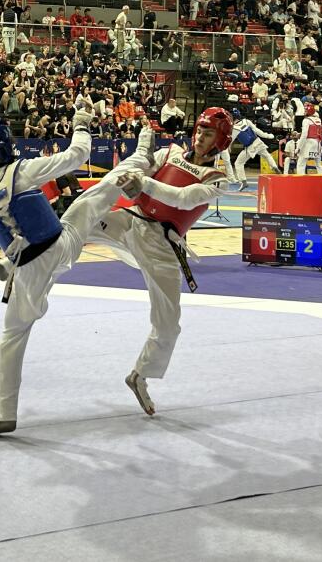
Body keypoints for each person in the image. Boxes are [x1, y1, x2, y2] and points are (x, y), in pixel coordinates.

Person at [0, 101, 146, 437]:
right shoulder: (23, 170)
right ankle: (144, 157)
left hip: (30, 267)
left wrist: (9, 263)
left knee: (11, 338)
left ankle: (5, 413)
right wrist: (81, 120)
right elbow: (78, 154)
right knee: (94, 199)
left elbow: (8, 240)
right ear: (6, 142)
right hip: (61, 245)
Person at [89, 113, 234, 415]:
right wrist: (134, 177)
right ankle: (24, 258)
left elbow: (182, 198)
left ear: (220, 141)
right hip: (130, 221)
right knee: (78, 221)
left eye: (208, 134)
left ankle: (139, 376)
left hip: (162, 244)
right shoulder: (168, 152)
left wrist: (144, 185)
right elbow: (140, 168)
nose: (200, 137)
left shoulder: (217, 180)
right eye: (199, 130)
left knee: (168, 326)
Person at [229, 109, 278, 190]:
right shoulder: (247, 121)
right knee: (267, 155)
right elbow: (258, 131)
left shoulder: (235, 128)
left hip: (250, 147)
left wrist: (228, 148)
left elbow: (230, 140)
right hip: (258, 142)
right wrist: (269, 136)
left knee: (238, 163)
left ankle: (244, 182)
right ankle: (274, 166)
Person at [296, 103, 322, 175]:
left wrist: (299, 147)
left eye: (305, 110)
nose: (304, 112)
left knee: (301, 163)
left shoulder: (306, 120)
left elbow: (304, 135)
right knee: (318, 164)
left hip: (308, 143)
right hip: (317, 142)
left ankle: (300, 180)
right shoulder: (318, 120)